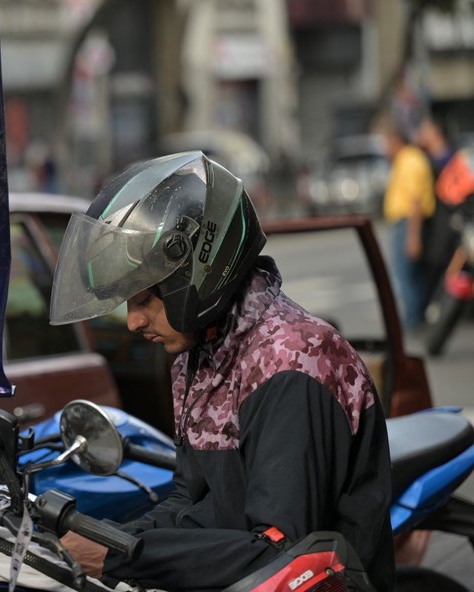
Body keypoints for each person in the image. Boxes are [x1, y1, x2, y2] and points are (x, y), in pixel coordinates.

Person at [48, 152, 395, 591]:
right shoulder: (203, 352)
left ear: (194, 277)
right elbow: (192, 501)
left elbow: (282, 551)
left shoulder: (292, 365)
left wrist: (123, 560)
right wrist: (111, 538)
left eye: (143, 299)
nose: (133, 322)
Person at [380, 120, 436, 331]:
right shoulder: (405, 159)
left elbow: (415, 202)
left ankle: (415, 319)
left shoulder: (411, 160)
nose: (385, 149)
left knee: (407, 275)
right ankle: (416, 316)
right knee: (409, 275)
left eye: (386, 143)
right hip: (403, 223)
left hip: (407, 224)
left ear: (395, 141)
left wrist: (413, 237)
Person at [414, 116, 457, 304]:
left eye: (424, 131)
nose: (419, 135)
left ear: (435, 133)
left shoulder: (449, 159)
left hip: (446, 223)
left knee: (441, 262)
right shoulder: (426, 159)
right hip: (434, 223)